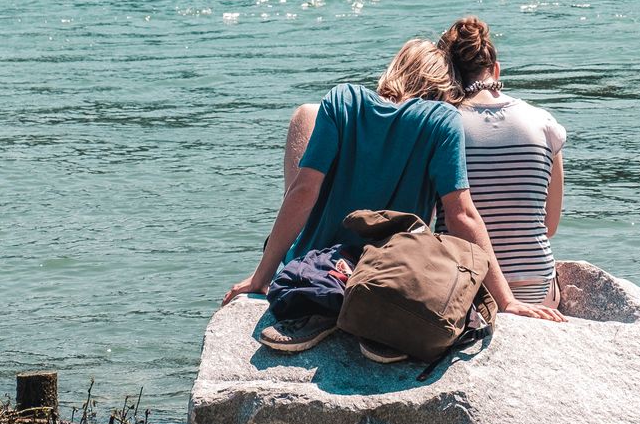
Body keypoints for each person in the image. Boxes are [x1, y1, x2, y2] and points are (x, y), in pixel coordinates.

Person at [224, 39, 564, 359]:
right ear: (445, 88)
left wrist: (260, 278)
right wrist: (506, 301)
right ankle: (373, 317)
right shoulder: (441, 121)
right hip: (389, 272)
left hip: (310, 260)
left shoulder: (343, 101)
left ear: (394, 70)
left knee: (303, 119)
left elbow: (303, 192)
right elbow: (462, 216)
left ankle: (323, 302)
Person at [437, 17, 566, 308]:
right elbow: (550, 225)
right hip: (537, 286)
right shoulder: (544, 122)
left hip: (467, 288)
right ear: (496, 69)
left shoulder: (442, 125)